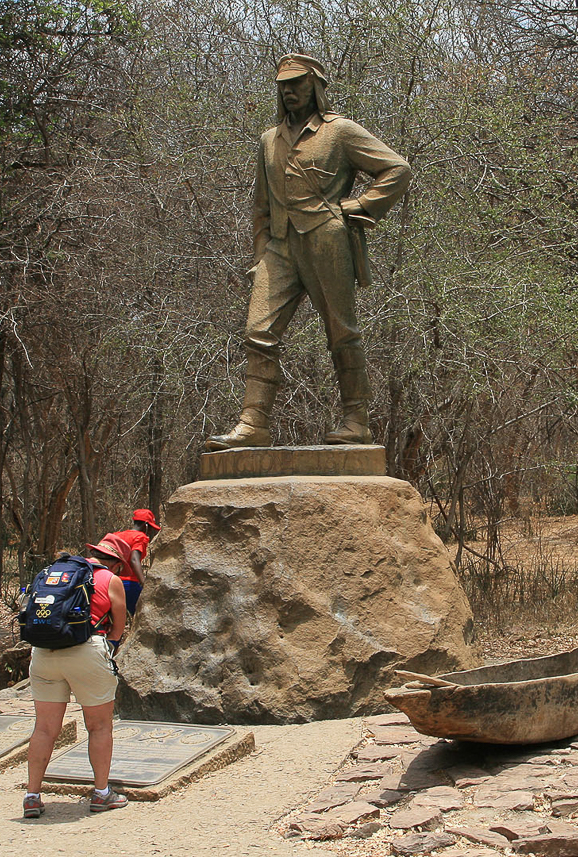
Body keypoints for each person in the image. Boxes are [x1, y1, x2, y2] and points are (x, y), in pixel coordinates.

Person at [206, 53, 412, 450]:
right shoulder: (269, 140)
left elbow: (397, 169)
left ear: (314, 85)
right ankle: (253, 423)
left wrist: (360, 206)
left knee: (342, 331)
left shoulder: (340, 132)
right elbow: (261, 207)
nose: (289, 91)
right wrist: (260, 255)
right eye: (283, 84)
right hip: (280, 248)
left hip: (326, 240)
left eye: (297, 83)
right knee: (258, 332)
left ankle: (356, 419)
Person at [22, 542, 128, 818]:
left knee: (44, 729)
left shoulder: (53, 572)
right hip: (87, 650)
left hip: (44, 652)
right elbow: (118, 627)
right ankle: (102, 793)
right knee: (99, 726)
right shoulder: (110, 579)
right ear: (114, 562)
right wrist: (110, 649)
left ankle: (32, 795)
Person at [95, 508, 160, 616]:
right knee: (140, 617)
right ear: (146, 525)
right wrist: (143, 582)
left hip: (109, 582)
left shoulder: (117, 535)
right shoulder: (140, 537)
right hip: (129, 584)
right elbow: (134, 559)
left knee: (112, 618)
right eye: (150, 528)